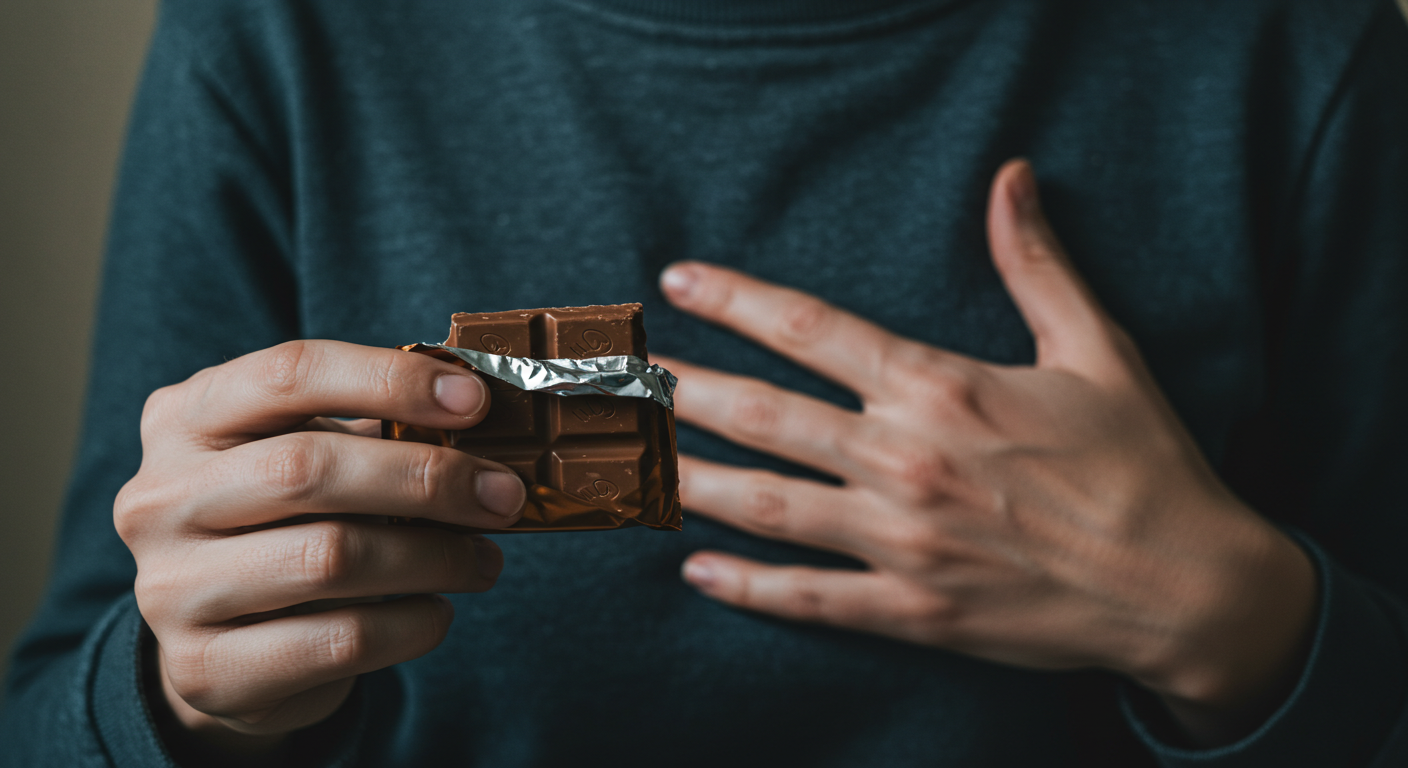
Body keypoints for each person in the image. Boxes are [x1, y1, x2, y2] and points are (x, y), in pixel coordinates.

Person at [3, 0, 1407, 765]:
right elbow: (59, 705)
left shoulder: (1301, 56)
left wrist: (1239, 625)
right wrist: (182, 705)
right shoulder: (271, 39)